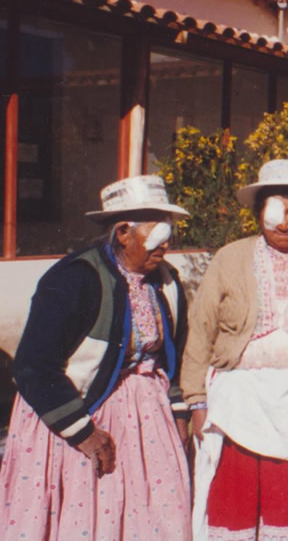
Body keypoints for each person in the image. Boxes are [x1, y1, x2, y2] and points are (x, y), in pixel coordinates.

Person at [0, 175, 192, 539]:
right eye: (157, 234)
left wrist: (177, 412)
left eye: (169, 234)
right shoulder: (75, 280)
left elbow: (173, 355)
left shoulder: (166, 282)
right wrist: (83, 432)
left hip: (146, 419)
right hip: (77, 412)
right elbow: (32, 366)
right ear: (123, 232)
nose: (165, 245)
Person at [181, 159, 288, 540]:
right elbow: (201, 331)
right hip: (240, 404)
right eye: (274, 211)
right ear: (258, 213)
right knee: (236, 499)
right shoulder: (229, 258)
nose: (283, 222)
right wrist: (196, 400)